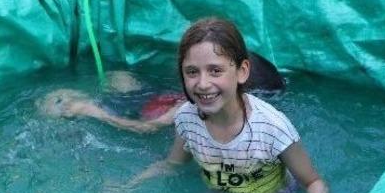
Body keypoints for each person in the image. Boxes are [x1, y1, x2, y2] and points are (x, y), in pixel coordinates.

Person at [130, 17, 337, 193]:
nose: (203, 83)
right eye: (192, 72)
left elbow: (313, 182)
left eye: (215, 70)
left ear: (242, 71)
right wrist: (128, 186)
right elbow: (172, 164)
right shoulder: (187, 119)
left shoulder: (273, 128)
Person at [38, 53, 285, 134]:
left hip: (145, 111)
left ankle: (74, 106)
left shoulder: (189, 110)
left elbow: (146, 129)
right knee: (119, 77)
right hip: (156, 97)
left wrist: (92, 112)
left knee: (54, 106)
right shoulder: (206, 100)